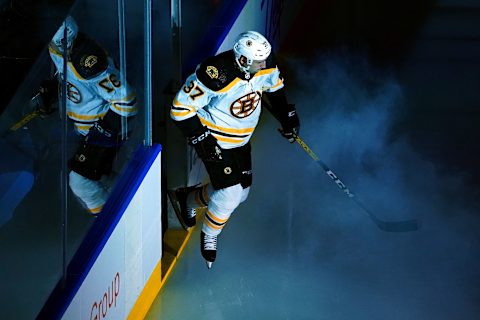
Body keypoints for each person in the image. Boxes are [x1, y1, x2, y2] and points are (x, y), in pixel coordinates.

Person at [171, 31, 300, 268]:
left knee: (241, 195)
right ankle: (210, 234)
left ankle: (187, 199)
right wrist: (203, 140)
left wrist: (287, 115)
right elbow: (180, 110)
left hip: (241, 141)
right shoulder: (215, 74)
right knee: (229, 194)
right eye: (258, 62)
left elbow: (274, 88)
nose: (264, 64)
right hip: (216, 142)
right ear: (242, 60)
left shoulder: (263, 63)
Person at [48, 16, 137, 215]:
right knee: (100, 176)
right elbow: (68, 76)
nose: (66, 48)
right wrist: (54, 90)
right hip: (88, 128)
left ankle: (111, 226)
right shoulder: (54, 45)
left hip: (108, 127)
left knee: (80, 182)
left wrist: (101, 132)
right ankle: (134, 205)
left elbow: (127, 102)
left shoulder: (88, 61)